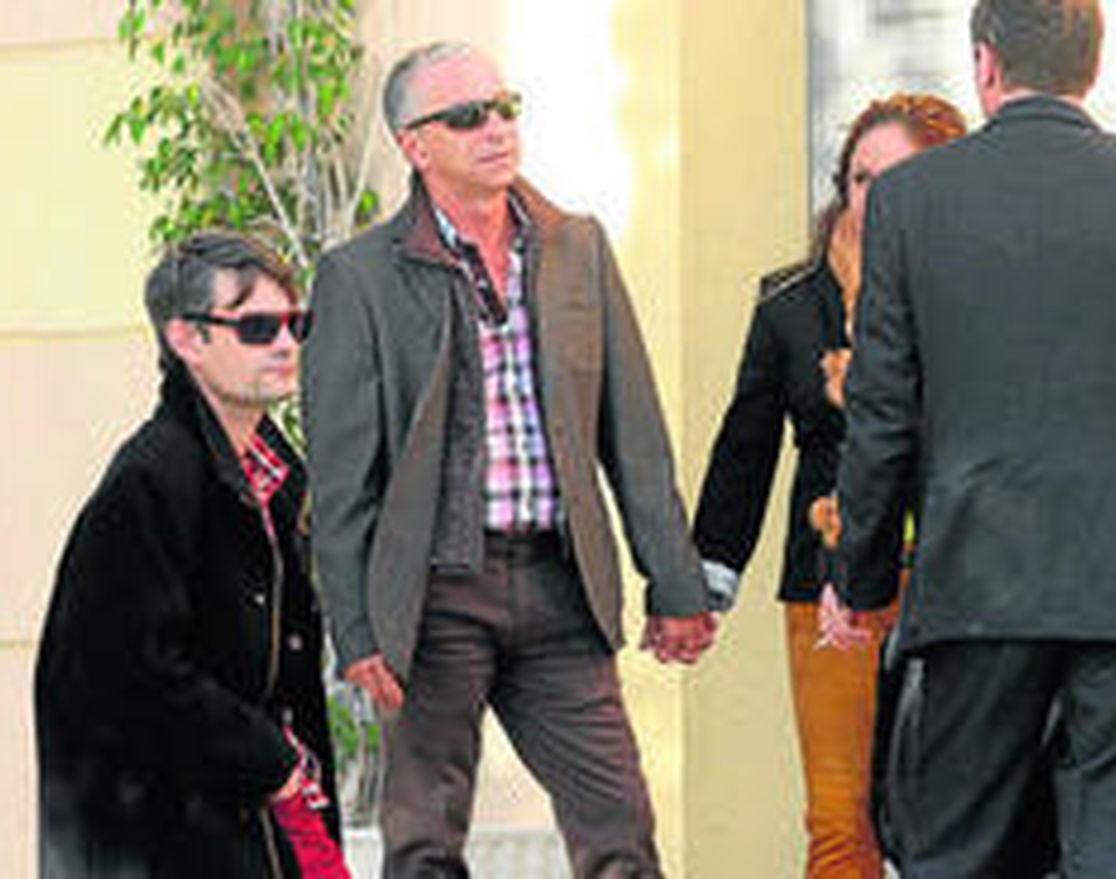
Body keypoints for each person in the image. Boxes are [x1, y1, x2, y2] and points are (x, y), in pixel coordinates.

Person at [822, 0, 1116, 875]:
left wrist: (862, 576)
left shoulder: (912, 201)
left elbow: (883, 413)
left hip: (975, 585)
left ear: (985, 65)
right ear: (1091, 67)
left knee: (955, 852)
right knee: (1112, 854)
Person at [301, 42, 716, 878]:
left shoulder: (576, 246)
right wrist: (355, 627)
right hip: (432, 597)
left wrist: (674, 582)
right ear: (416, 145)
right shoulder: (359, 278)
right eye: (466, 117)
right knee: (423, 845)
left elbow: (633, 434)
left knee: (622, 834)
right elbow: (342, 480)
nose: (496, 128)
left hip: (562, 586)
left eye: (503, 107)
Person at [692, 94, 966, 879]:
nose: (872, 197)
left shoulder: (978, 295)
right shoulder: (791, 301)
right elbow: (745, 449)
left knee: (955, 816)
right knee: (839, 821)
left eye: (897, 179)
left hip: (956, 579)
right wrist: (704, 582)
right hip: (830, 580)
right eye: (859, 177)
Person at [35, 233, 347, 877]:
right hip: (174, 838)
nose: (287, 344)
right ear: (187, 340)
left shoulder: (277, 481)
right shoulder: (150, 480)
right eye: (258, 327)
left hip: (267, 822)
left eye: (296, 323)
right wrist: (265, 760)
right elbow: (127, 673)